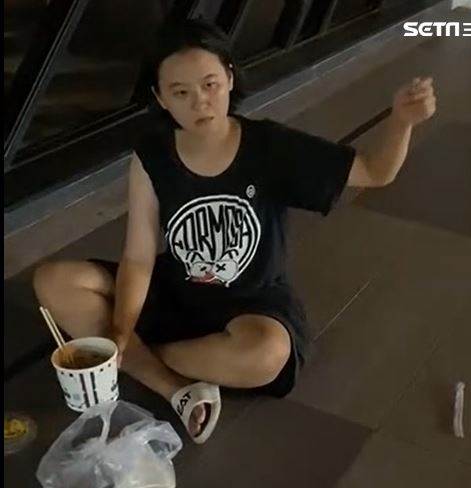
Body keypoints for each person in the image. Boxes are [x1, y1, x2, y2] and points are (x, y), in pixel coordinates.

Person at [33, 19, 436, 444]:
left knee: (266, 354)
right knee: (53, 280)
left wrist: (401, 122)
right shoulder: (153, 156)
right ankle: (175, 389)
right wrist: (120, 328)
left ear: (228, 77)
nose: (200, 102)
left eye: (209, 84)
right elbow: (138, 256)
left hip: (251, 303)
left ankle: (135, 359)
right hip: (174, 291)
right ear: (160, 98)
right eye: (180, 92)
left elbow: (375, 171)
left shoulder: (270, 146)